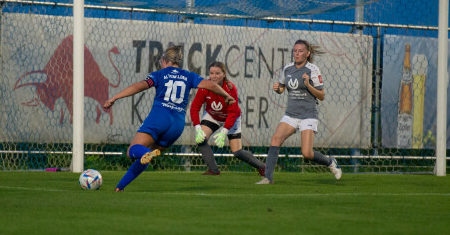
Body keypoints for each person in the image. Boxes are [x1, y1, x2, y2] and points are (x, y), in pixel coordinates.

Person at [103, 45, 235, 192]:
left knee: (133, 150)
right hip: (177, 125)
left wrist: (116, 97)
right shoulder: (189, 75)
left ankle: (143, 155)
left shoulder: (160, 74)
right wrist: (226, 95)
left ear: (165, 60)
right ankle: (120, 187)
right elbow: (210, 84)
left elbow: (140, 86)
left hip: (159, 117)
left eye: (161, 60)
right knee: (146, 156)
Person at [256, 39, 342, 185]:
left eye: (300, 51)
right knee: (276, 139)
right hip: (291, 114)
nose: (297, 53)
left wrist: (308, 85)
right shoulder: (288, 68)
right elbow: (282, 88)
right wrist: (278, 89)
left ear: (307, 54)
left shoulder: (312, 70)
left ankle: (330, 162)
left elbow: (321, 96)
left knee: (307, 153)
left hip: (308, 115)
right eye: (295, 50)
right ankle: (268, 178)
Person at [190, 61, 265, 176]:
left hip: (230, 118)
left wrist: (224, 131)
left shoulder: (230, 89)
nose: (214, 76)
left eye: (217, 73)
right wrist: (197, 127)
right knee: (201, 139)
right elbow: (194, 108)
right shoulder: (204, 87)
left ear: (224, 74)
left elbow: (233, 112)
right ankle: (214, 170)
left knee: (237, 152)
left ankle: (262, 167)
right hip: (212, 116)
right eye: (211, 73)